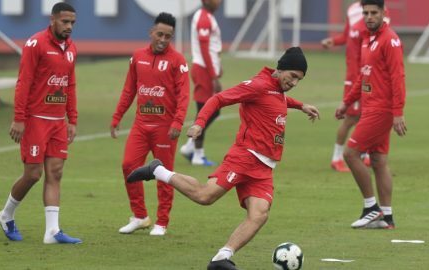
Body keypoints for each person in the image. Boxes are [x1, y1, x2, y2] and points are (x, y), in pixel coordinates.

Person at [127, 47, 320, 269]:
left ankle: (221, 258)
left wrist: (301, 105)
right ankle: (157, 170)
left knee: (259, 215)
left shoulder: (276, 88)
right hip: (245, 157)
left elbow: (278, 98)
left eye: (299, 79)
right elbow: (218, 99)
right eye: (293, 76)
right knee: (205, 196)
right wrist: (199, 123)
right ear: (281, 68)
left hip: (264, 167)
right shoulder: (258, 85)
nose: (294, 82)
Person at [0, 3, 81, 244]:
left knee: (55, 172)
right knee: (33, 174)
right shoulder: (36, 44)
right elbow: (24, 82)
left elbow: (70, 84)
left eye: (72, 23)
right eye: (65, 21)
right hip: (35, 120)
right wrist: (19, 118)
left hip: (57, 122)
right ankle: (6, 215)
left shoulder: (71, 48)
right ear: (52, 19)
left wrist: (72, 119)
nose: (69, 27)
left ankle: (52, 232)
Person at [110, 12, 190, 236]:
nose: (163, 39)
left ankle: (162, 222)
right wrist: (117, 117)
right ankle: (140, 216)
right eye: (160, 34)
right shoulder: (137, 57)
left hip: (165, 128)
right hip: (141, 125)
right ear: (151, 32)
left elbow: (184, 95)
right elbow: (129, 90)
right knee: (128, 165)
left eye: (168, 36)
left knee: (163, 174)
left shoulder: (178, 61)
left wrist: (177, 122)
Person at [335, 0, 407, 229]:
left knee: (351, 154)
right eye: (365, 13)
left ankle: (371, 207)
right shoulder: (368, 38)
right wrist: (346, 103)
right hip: (369, 106)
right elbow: (363, 76)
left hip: (381, 110)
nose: (369, 17)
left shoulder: (390, 40)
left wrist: (398, 113)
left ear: (384, 13)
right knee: (378, 161)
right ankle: (387, 217)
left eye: (373, 12)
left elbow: (398, 78)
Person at [321, 1, 370, 172]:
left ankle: (366, 155)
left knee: (370, 115)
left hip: (370, 76)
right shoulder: (353, 11)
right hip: (356, 77)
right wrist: (334, 41)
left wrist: (333, 41)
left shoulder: (380, 9)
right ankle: (337, 158)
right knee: (351, 119)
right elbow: (347, 36)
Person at [179, 0, 223, 166]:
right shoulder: (203, 18)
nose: (219, 2)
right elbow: (204, 50)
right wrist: (213, 76)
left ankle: (191, 147)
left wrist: (219, 67)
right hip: (204, 70)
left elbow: (212, 47)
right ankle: (197, 154)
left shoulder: (207, 16)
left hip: (207, 69)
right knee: (205, 111)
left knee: (212, 111)